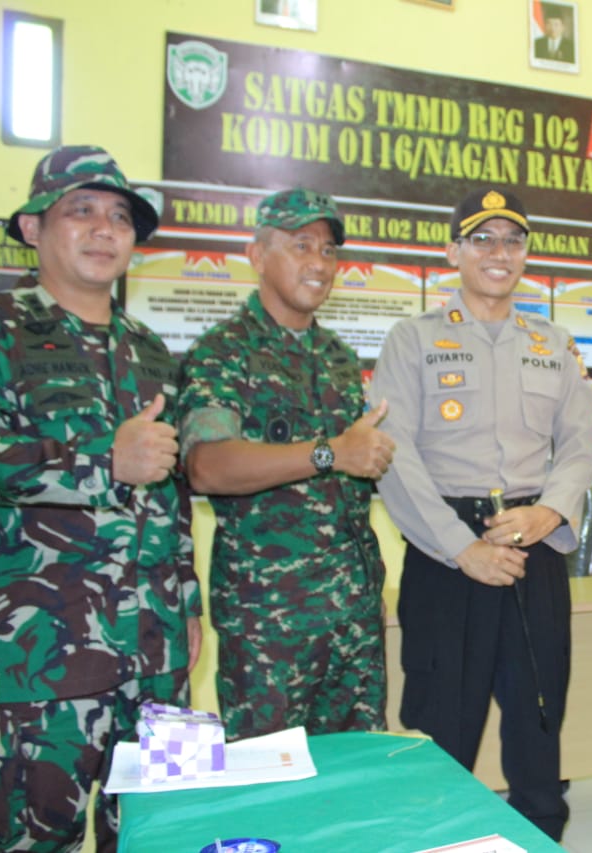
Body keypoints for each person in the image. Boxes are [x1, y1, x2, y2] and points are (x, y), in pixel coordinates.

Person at [0, 145, 201, 852]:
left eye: (120, 217)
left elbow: (175, 493)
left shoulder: (151, 349)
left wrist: (188, 604)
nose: (105, 229)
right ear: (32, 227)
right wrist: (105, 461)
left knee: (161, 836)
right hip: (39, 662)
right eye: (81, 210)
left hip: (158, 660)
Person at [371, 188, 592, 841]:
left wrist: (549, 512)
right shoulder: (413, 340)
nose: (499, 253)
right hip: (448, 557)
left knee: (538, 727)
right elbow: (394, 454)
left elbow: (581, 441)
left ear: (526, 253)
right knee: (442, 732)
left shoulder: (552, 342)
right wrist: (459, 546)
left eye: (513, 240)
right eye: (483, 239)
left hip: (534, 547)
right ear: (454, 251)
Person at [177, 188, 393, 741]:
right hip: (271, 625)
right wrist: (331, 453)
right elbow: (206, 465)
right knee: (268, 782)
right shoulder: (224, 352)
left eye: (328, 250)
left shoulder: (339, 358)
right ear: (256, 255)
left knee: (355, 776)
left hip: (353, 618)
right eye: (302, 246)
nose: (319, 264)